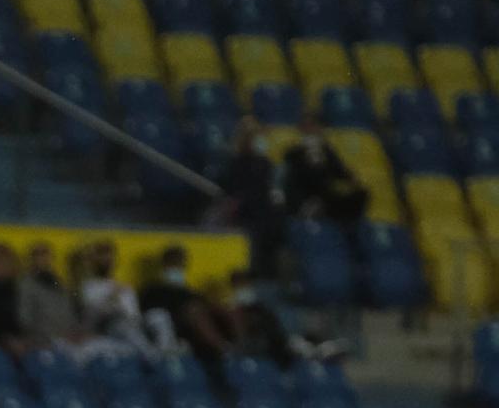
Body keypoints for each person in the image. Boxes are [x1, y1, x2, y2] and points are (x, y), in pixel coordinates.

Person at [140, 246, 230, 363]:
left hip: (196, 329)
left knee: (224, 309)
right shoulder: (154, 290)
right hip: (173, 327)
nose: (177, 268)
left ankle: (240, 348)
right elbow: (151, 314)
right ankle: (223, 349)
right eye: (173, 264)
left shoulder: (190, 292)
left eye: (180, 264)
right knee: (193, 311)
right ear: (164, 265)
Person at [220, 121, 284, 278]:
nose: (260, 141)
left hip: (266, 211)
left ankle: (270, 273)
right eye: (256, 137)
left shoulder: (266, 163)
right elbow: (232, 189)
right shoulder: (237, 163)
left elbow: (271, 187)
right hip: (246, 212)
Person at [282, 119, 367, 226]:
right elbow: (291, 168)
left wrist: (351, 178)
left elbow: (339, 170)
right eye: (308, 127)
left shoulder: (326, 150)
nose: (313, 130)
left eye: (315, 127)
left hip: (326, 194)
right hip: (304, 192)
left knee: (360, 195)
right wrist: (308, 152)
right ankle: (309, 209)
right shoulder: (294, 150)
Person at [16, 241, 81, 352]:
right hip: (44, 340)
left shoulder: (58, 283)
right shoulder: (26, 285)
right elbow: (25, 319)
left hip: (68, 338)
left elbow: (69, 314)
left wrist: (73, 332)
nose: (43, 259)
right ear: (31, 259)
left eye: (46, 254)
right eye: (38, 255)